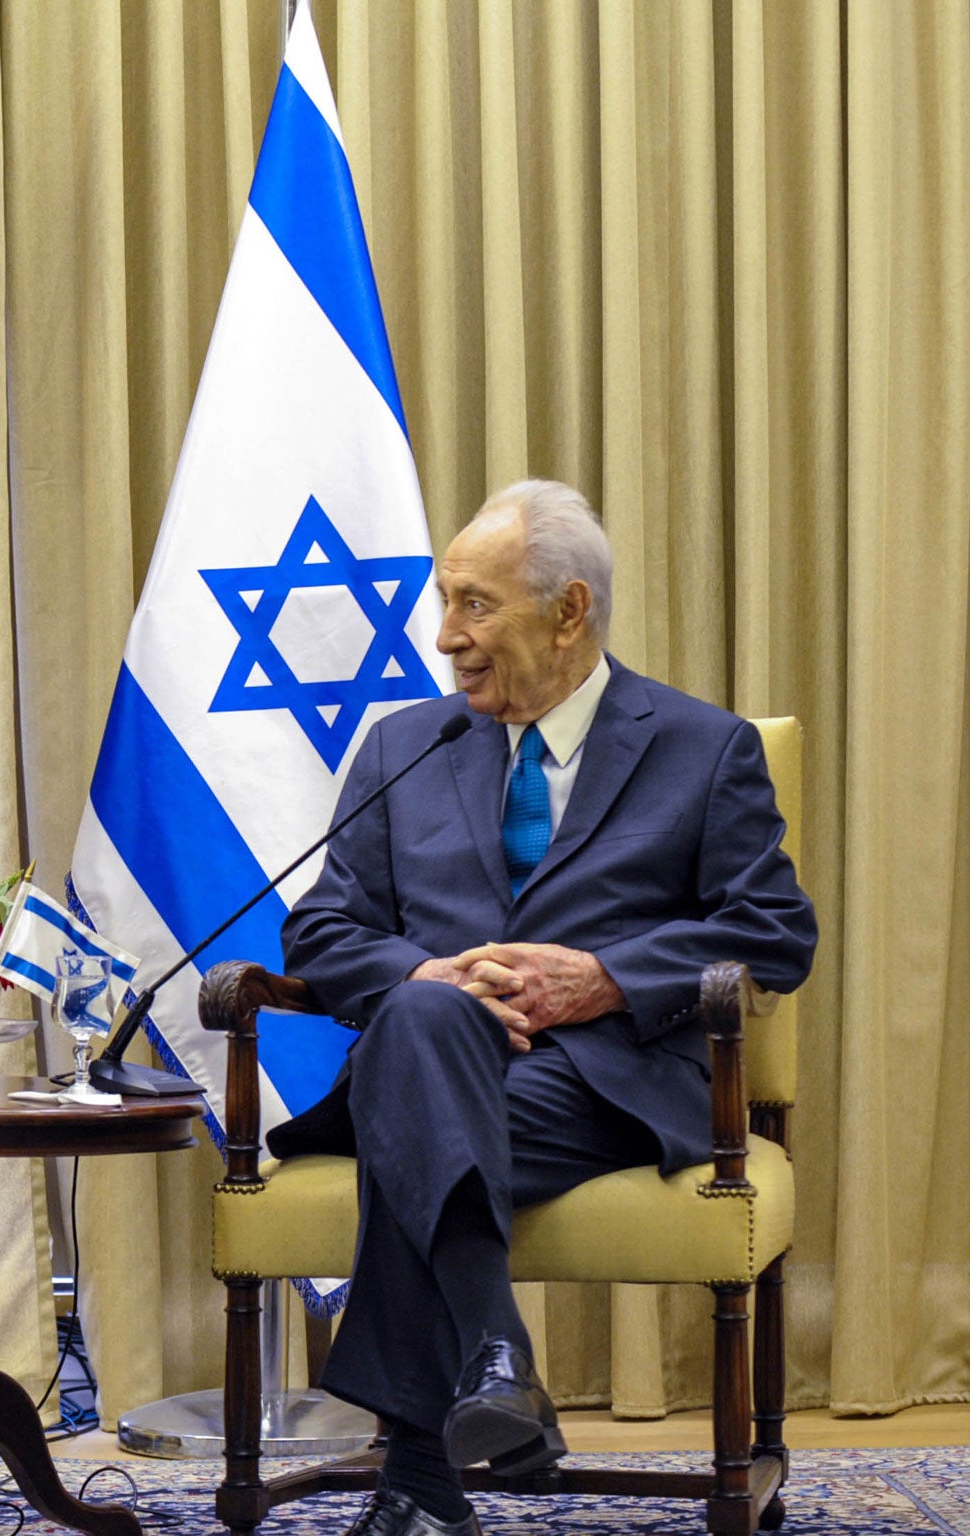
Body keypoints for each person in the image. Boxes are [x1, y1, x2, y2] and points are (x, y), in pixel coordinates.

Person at [267, 480, 816, 1536]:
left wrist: (602, 978)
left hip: (607, 1083)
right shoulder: (401, 747)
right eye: (444, 603)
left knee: (412, 1123)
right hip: (429, 1059)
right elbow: (320, 935)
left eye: (475, 606)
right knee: (424, 1024)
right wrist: (422, 978)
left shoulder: (701, 749)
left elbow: (773, 934)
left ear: (568, 613)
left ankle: (417, 1473)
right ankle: (493, 1357)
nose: (444, 637)